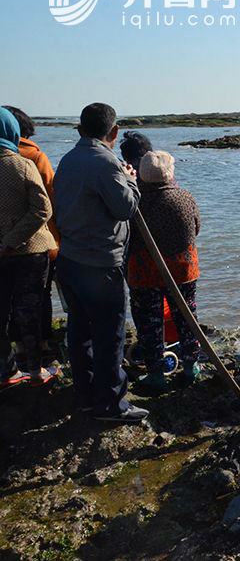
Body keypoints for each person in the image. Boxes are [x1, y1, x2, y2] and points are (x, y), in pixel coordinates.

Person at [54, 103, 148, 422]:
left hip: (69, 259)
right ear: (114, 131)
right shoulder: (105, 162)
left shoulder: (68, 159)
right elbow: (125, 209)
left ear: (81, 129)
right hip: (100, 264)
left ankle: (86, 394)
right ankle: (111, 404)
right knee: (110, 334)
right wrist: (131, 179)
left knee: (80, 331)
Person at [126, 151, 204, 393]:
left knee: (149, 323)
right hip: (182, 268)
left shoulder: (134, 202)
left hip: (144, 272)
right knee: (186, 316)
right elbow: (196, 228)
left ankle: (156, 373)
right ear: (169, 173)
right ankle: (192, 367)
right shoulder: (184, 197)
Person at [0, 107, 57, 387]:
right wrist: (13, 240)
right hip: (30, 252)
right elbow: (43, 209)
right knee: (29, 314)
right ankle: (36, 372)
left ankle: (7, 373)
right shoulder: (23, 164)